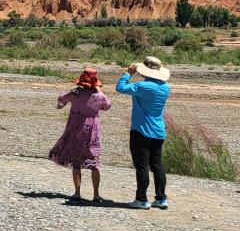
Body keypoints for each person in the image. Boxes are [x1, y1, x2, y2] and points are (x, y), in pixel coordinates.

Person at [115, 55, 171, 210]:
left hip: (141, 130)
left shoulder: (142, 87)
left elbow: (120, 88)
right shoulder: (166, 88)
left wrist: (128, 73)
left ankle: (141, 198)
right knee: (157, 164)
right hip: (159, 131)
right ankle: (161, 198)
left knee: (142, 165)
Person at [49, 68, 111, 203]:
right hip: (92, 131)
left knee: (76, 161)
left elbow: (61, 98)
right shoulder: (99, 96)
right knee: (94, 162)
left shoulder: (75, 93)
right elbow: (107, 106)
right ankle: (96, 195)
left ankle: (77, 193)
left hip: (75, 128)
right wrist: (99, 90)